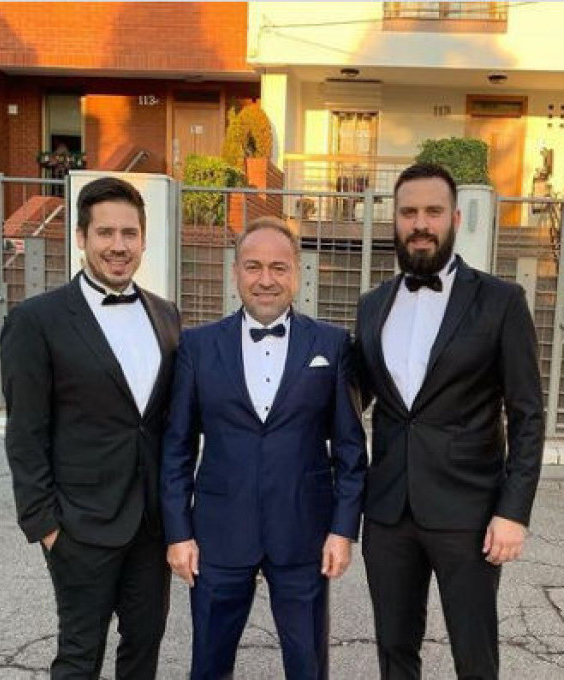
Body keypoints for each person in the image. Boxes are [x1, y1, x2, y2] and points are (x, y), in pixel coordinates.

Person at [354, 163, 545, 679]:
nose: (421, 224)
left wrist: (513, 511)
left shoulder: (501, 302)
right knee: (394, 650)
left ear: (455, 219)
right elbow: (355, 398)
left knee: (474, 656)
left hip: (469, 513)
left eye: (433, 212)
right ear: (394, 220)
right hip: (388, 513)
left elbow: (527, 415)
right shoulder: (372, 306)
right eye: (409, 212)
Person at [161, 217, 367, 680]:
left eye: (279, 267)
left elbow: (351, 449)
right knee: (209, 664)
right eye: (253, 266)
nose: (266, 279)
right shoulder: (196, 345)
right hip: (218, 534)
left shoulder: (332, 344)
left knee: (307, 664)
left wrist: (342, 530)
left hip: (303, 533)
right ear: (235, 272)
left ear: (297, 272)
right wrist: (178, 533)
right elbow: (176, 448)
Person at [0, 176, 180, 679]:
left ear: (143, 239)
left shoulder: (166, 315)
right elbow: (25, 432)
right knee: (80, 657)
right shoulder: (37, 320)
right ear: (81, 237)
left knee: (144, 648)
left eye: (129, 233)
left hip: (150, 526)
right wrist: (46, 527)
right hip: (79, 528)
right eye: (105, 233)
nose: (118, 246)